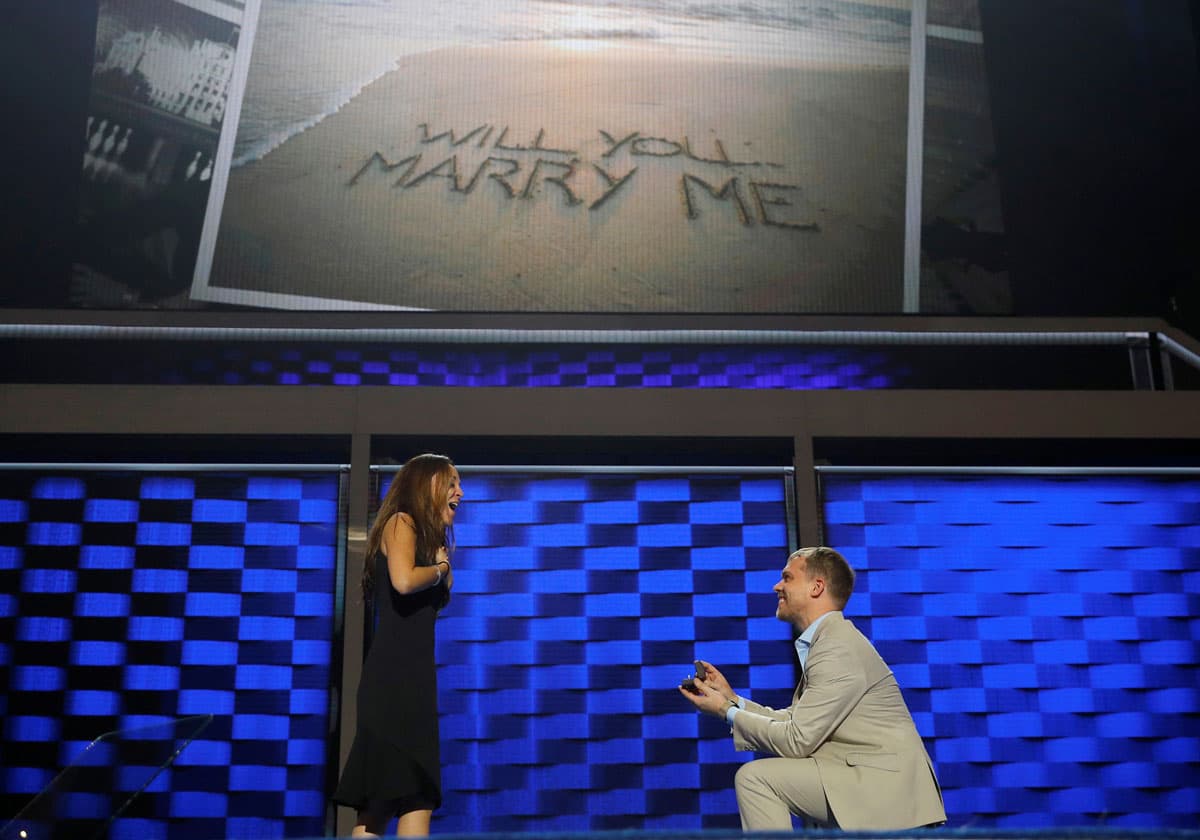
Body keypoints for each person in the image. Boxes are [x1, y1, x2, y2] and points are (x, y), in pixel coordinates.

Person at [679, 546, 945, 831]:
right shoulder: (830, 641)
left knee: (756, 779)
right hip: (871, 779)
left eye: (787, 578)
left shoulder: (837, 648)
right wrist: (732, 700)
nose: (777, 586)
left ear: (817, 587)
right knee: (757, 778)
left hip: (886, 786)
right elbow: (799, 721)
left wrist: (724, 710)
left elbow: (797, 739)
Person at [334, 454, 464, 837]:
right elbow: (405, 581)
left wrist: (442, 567)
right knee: (379, 804)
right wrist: (440, 570)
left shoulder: (432, 540)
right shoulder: (401, 521)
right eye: (452, 482)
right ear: (428, 486)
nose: (460, 492)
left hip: (417, 683)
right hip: (392, 682)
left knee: (417, 796)